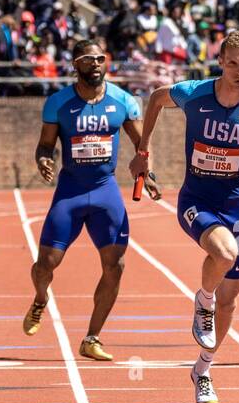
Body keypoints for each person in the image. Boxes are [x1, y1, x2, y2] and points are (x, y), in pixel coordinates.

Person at [132, 29, 239, 403]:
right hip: (196, 199)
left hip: (237, 206)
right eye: (232, 63)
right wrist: (143, 149)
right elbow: (154, 99)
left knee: (230, 302)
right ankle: (203, 299)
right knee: (225, 254)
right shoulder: (194, 93)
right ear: (220, 62)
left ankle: (203, 370)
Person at [24, 39, 160, 357]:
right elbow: (45, 144)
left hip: (105, 190)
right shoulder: (57, 103)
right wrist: (43, 159)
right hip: (70, 191)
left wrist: (148, 175)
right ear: (75, 65)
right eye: (89, 59)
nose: (96, 64)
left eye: (101, 58)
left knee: (116, 265)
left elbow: (142, 146)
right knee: (45, 264)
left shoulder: (123, 101)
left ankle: (92, 338)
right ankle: (41, 298)